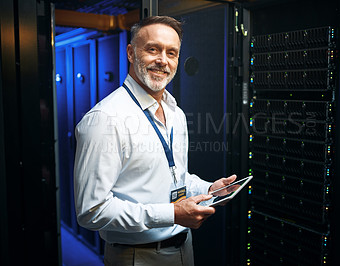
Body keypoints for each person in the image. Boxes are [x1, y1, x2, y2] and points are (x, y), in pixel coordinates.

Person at [74, 15, 236, 266]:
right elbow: (91, 211)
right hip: (136, 256)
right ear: (130, 53)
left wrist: (208, 189)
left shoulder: (175, 112)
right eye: (153, 49)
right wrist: (172, 213)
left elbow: (176, 176)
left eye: (172, 53)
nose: (163, 60)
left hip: (184, 248)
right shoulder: (105, 119)